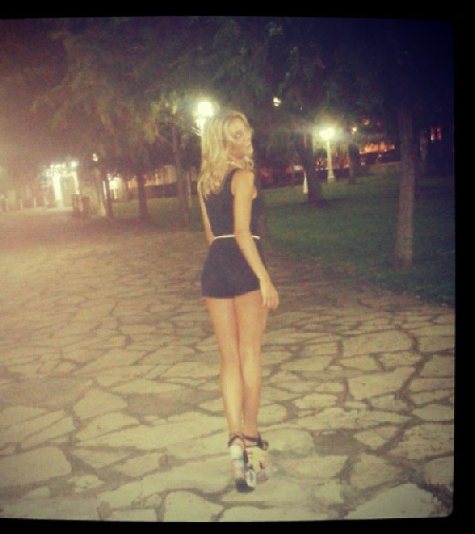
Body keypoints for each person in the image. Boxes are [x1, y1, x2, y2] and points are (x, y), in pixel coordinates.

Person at [197, 110, 279, 492]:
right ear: (223, 142)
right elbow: (243, 233)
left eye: (245, 130)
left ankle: (234, 444)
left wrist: (226, 263)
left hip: (215, 266)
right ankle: (250, 438)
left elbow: (212, 237)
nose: (246, 137)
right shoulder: (244, 177)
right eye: (236, 134)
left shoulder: (204, 182)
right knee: (250, 355)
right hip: (245, 266)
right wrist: (265, 279)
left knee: (228, 360)